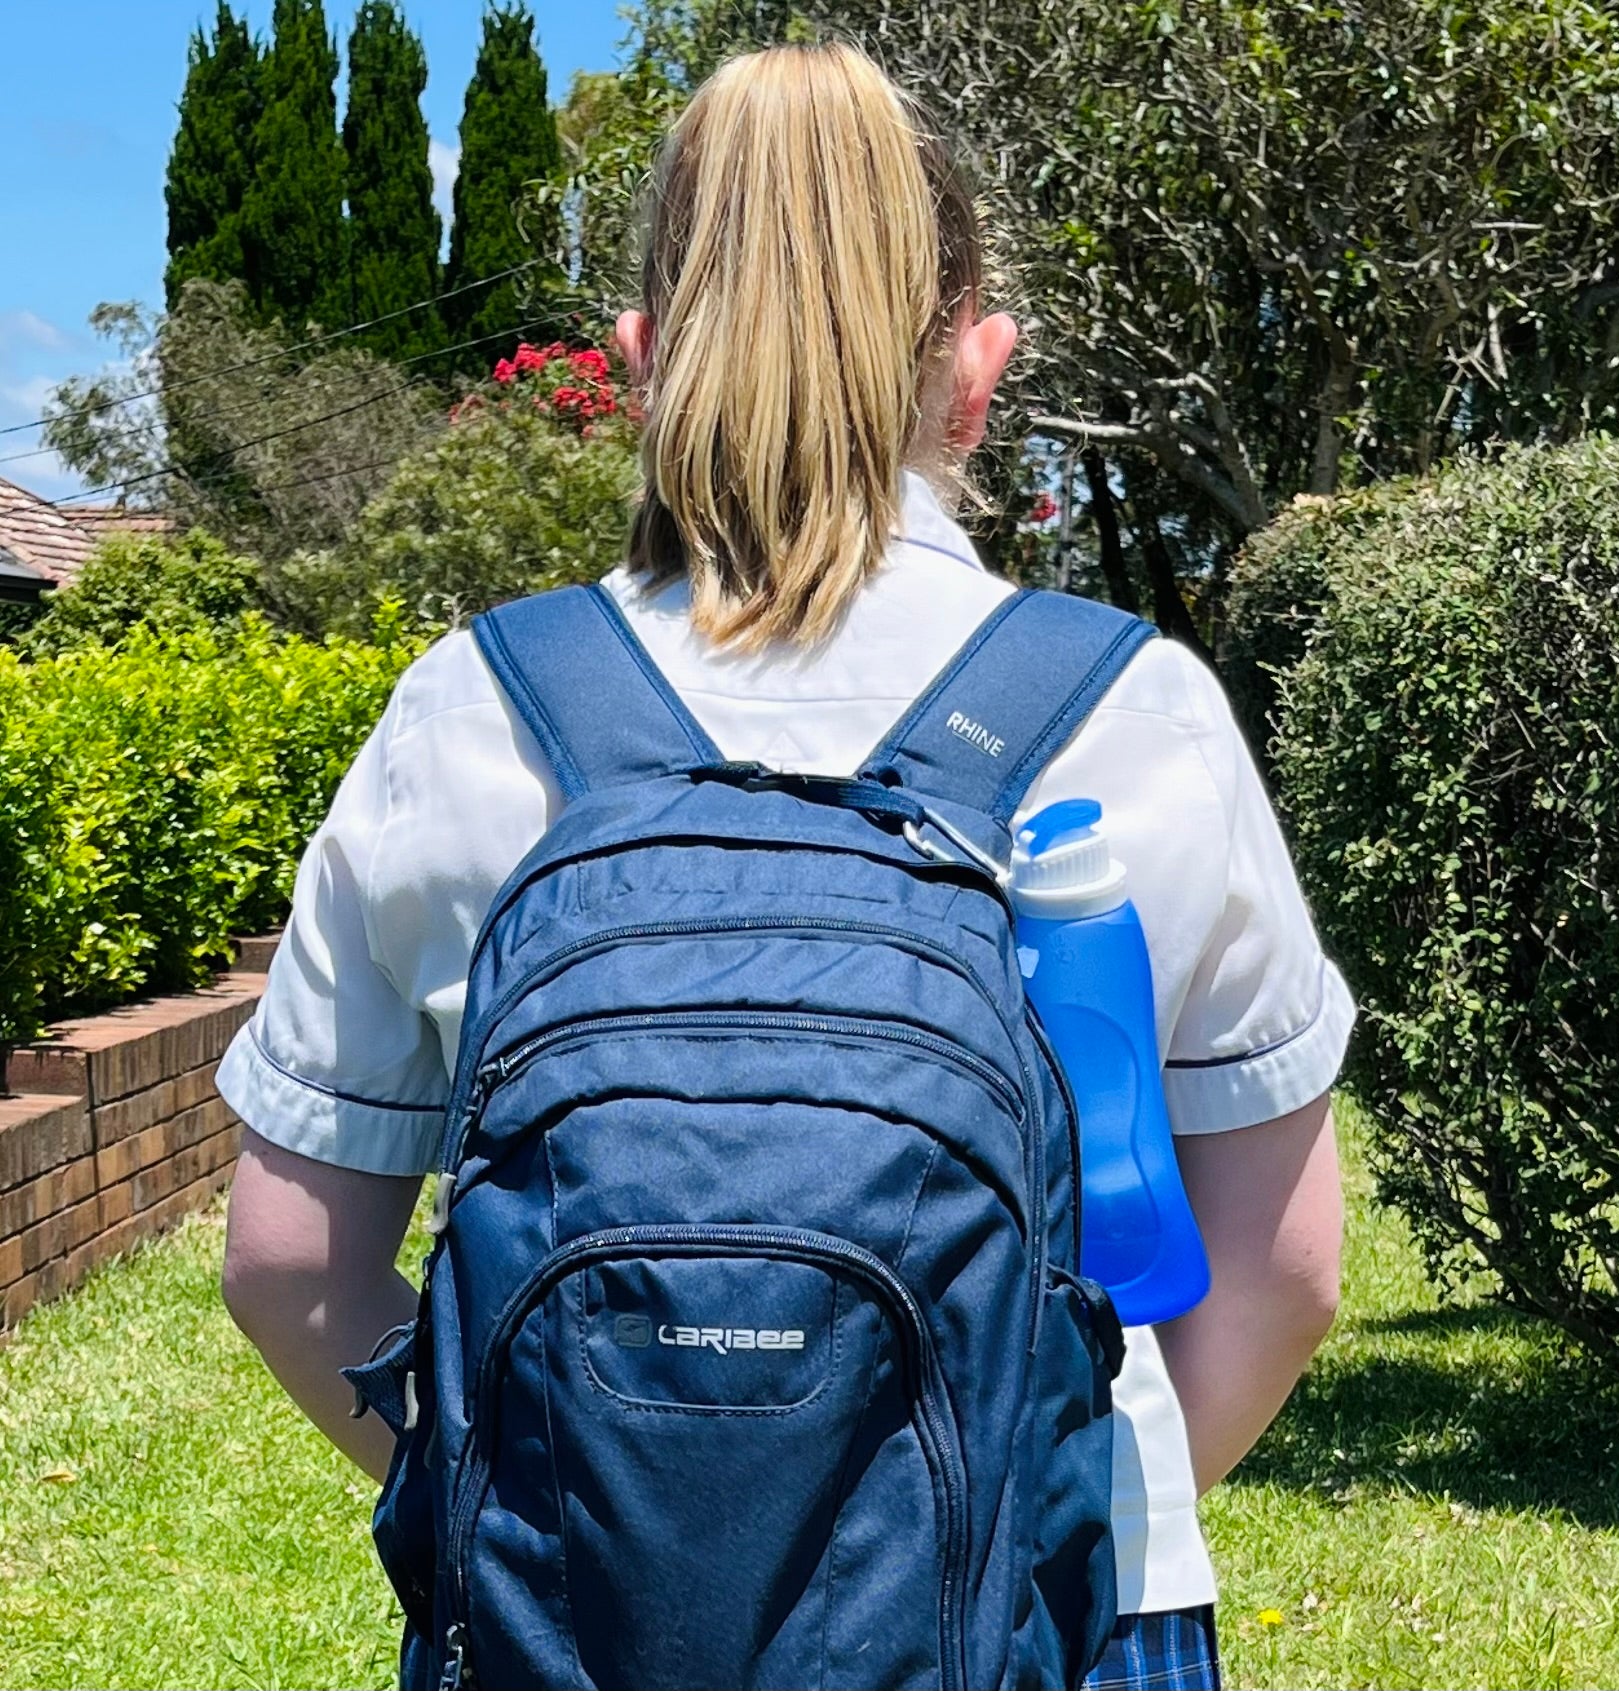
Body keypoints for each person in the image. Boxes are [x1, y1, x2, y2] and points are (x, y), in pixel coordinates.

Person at [218, 40, 1349, 1691]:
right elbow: (1284, 1270)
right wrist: (1017, 1507)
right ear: (976, 370)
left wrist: (535, 1495)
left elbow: (287, 1264)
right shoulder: (1133, 710)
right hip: (1058, 1623)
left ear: (643, 357)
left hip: (560, 1629)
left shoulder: (472, 710)